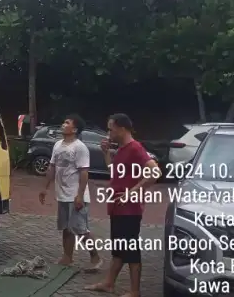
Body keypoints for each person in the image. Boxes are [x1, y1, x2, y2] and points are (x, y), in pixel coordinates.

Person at [86, 113, 159, 297]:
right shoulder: (121, 149)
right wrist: (105, 154)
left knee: (131, 249)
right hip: (117, 207)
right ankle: (109, 283)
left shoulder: (135, 148)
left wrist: (132, 192)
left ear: (122, 128)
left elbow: (155, 171)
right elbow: (115, 173)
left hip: (130, 209)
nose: (108, 132)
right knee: (118, 249)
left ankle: (135, 291)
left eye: (111, 129)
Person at [39, 114, 102, 271]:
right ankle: (67, 257)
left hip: (76, 195)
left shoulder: (80, 147)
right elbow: (52, 167)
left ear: (74, 129)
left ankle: (95, 257)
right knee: (66, 228)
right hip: (62, 195)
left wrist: (80, 195)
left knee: (80, 229)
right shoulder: (57, 145)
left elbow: (84, 172)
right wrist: (45, 187)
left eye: (66, 123)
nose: (63, 124)